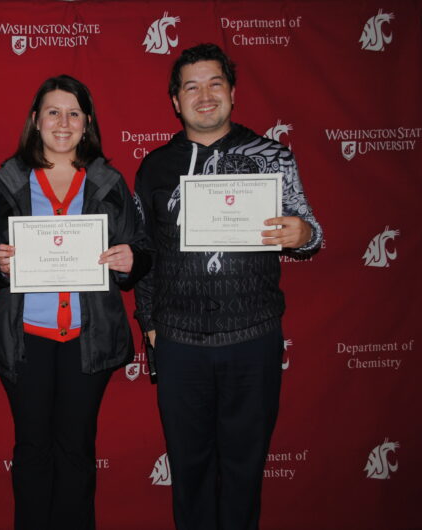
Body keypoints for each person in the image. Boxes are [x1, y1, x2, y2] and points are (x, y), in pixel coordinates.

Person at [134, 43, 322, 530]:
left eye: (214, 83)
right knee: (190, 472)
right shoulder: (154, 166)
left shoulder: (272, 157)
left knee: (243, 470)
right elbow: (145, 254)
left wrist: (305, 234)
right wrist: (150, 325)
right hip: (179, 341)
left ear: (232, 93)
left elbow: (308, 232)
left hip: (252, 336)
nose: (204, 95)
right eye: (190, 87)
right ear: (175, 100)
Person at [0, 75, 151, 530]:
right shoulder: (7, 181)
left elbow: (141, 247)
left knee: (76, 450)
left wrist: (131, 259)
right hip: (25, 338)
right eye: (52, 112)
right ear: (35, 120)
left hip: (89, 339)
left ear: (87, 123)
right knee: (31, 450)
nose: (62, 122)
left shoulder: (109, 182)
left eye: (73, 113)